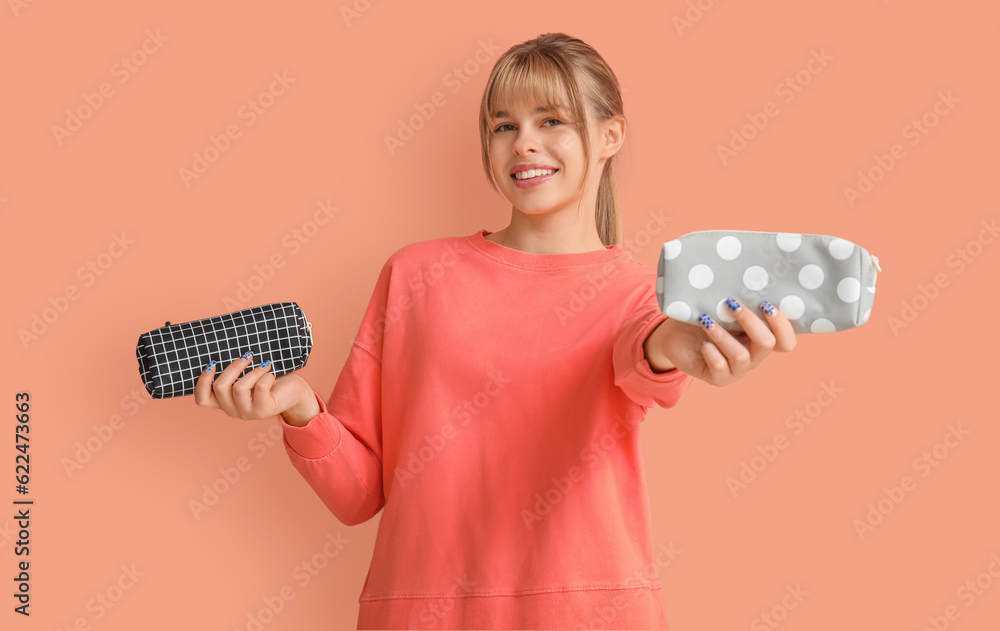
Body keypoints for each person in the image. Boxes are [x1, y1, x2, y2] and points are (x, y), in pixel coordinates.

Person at [193, 32, 796, 630]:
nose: (523, 144)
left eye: (551, 120)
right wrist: (301, 409)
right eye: (503, 126)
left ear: (610, 135)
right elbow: (357, 497)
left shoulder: (641, 295)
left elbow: (647, 347)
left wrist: (687, 345)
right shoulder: (415, 275)